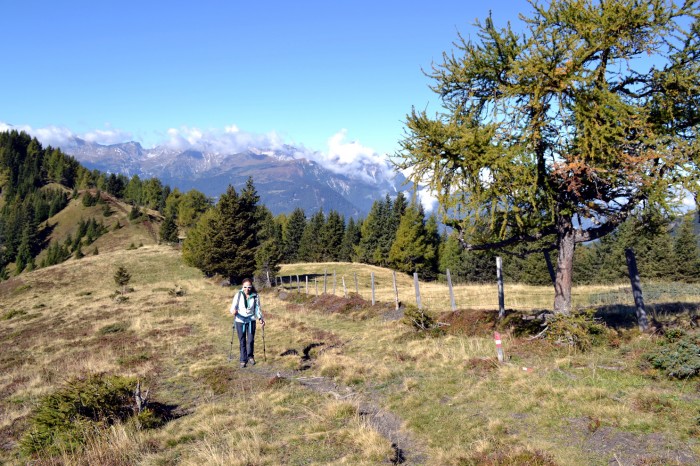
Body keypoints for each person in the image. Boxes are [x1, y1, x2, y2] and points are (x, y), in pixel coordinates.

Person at [230, 278, 265, 368]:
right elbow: (232, 308)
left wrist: (260, 319)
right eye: (245, 287)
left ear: (251, 286)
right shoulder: (238, 295)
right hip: (240, 321)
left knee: (250, 340)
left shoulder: (255, 296)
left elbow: (257, 308)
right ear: (242, 286)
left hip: (251, 320)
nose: (247, 289)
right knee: (242, 341)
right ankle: (243, 359)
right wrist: (233, 311)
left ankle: (250, 357)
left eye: (249, 287)